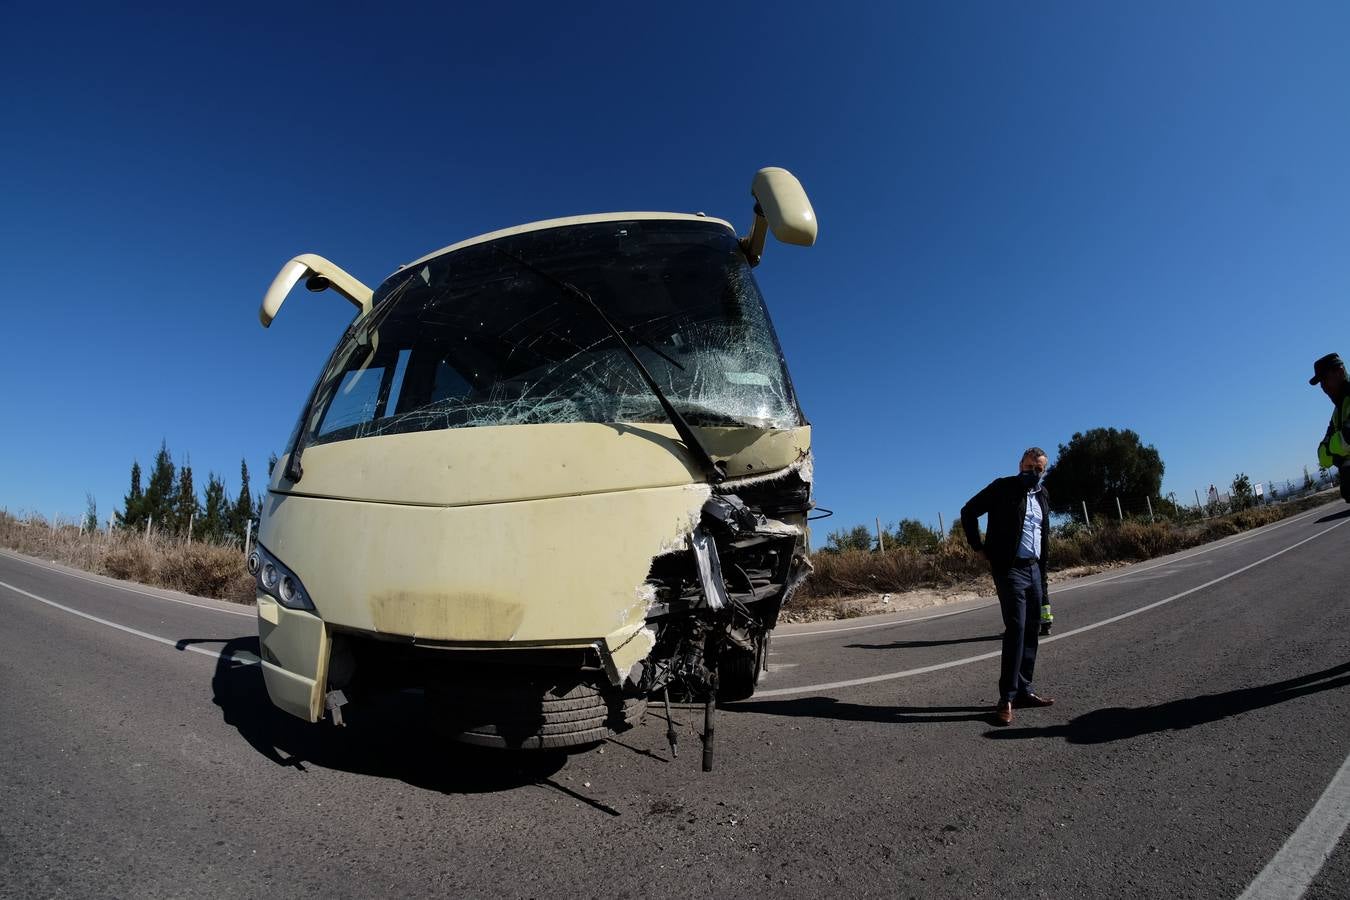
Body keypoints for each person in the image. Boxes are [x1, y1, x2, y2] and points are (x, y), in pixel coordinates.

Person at [961, 447, 1055, 726]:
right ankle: (1007, 698)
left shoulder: (1043, 495)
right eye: (1028, 467)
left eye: (1038, 469)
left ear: (1044, 470)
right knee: (1016, 628)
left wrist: (1044, 571)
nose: (1032, 472)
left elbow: (1044, 534)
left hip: (1034, 569)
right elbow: (969, 511)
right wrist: (979, 547)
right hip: (1009, 569)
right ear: (1020, 466)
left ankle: (1025, 689)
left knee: (1032, 628)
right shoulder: (1002, 488)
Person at [1311, 353, 1350, 503]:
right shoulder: (1337, 412)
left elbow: (1347, 438)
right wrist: (1336, 448)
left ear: (1340, 372)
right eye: (1320, 383)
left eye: (1325, 379)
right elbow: (1322, 457)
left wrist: (1332, 449)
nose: (1323, 387)